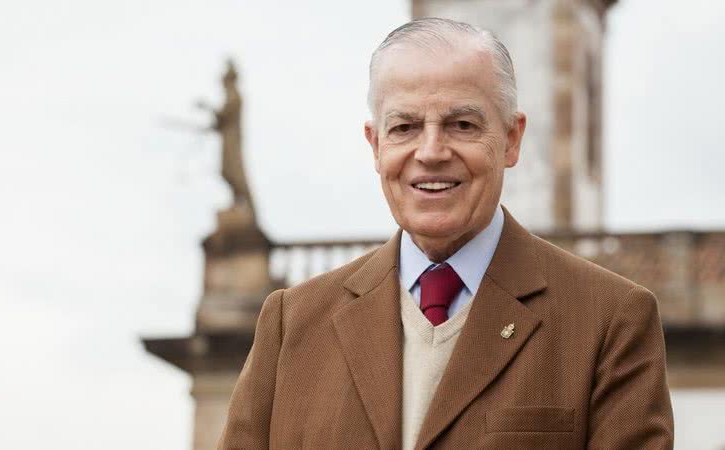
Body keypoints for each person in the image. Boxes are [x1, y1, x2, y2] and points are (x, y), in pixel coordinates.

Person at [218, 18, 673, 449]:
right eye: (405, 127)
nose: (431, 152)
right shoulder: (291, 323)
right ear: (376, 145)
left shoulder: (609, 320)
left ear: (512, 139)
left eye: (462, 125)